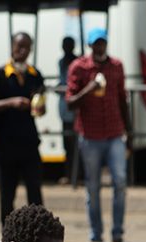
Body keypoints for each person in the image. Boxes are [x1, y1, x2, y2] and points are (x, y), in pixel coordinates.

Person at [66, 28, 132, 242]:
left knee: (120, 181)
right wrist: (89, 88)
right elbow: (70, 101)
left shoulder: (116, 66)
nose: (99, 46)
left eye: (102, 42)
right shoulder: (79, 67)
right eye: (96, 43)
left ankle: (118, 231)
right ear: (89, 45)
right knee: (92, 186)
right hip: (90, 134)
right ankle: (96, 232)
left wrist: (128, 131)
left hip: (114, 132)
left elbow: (123, 99)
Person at [0, 32, 46, 226]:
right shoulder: (0, 73)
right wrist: (11, 102)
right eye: (19, 46)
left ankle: (39, 233)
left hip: (28, 141)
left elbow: (41, 108)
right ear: (12, 46)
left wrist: (38, 106)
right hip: (6, 143)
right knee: (7, 193)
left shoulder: (35, 75)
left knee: (34, 191)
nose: (23, 51)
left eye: (27, 47)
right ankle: (7, 234)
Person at [58, 36, 80, 184]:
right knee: (67, 144)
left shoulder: (77, 62)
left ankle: (77, 175)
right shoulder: (61, 62)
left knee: (76, 144)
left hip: (75, 110)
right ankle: (69, 174)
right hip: (64, 109)